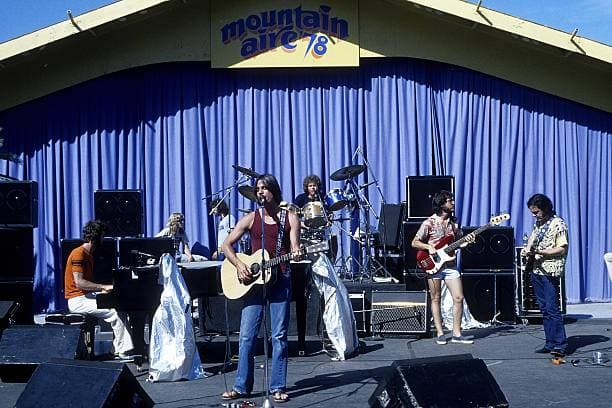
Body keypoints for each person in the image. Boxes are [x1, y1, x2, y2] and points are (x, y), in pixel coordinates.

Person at [221, 174, 301, 404]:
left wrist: (297, 252)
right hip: (254, 284)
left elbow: (295, 247)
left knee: (279, 336)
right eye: (258, 189)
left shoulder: (290, 217)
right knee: (246, 336)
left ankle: (277, 387)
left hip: (280, 279)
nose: (260, 192)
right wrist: (240, 265)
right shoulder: (251, 218)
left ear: (274, 191)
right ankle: (241, 386)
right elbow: (226, 245)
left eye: (264, 188)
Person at [411, 190, 474, 345]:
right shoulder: (428, 223)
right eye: (449, 200)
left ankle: (457, 333)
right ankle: (440, 333)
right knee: (436, 298)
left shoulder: (454, 224)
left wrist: (468, 242)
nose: (452, 203)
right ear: (441, 204)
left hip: (450, 265)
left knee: (458, 298)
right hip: (433, 264)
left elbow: (459, 243)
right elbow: (414, 242)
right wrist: (429, 247)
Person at [64, 220, 134, 359]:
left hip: (85, 297)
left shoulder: (88, 255)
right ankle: (123, 351)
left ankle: (117, 349)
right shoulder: (79, 253)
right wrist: (103, 286)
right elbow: (79, 283)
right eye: (102, 236)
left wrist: (101, 291)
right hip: (77, 300)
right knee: (114, 312)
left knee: (118, 306)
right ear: (96, 237)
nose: (103, 239)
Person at [521, 193, 569, 357]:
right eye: (532, 212)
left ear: (545, 208)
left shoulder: (558, 224)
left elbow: (562, 248)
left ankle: (560, 344)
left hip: (550, 271)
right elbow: (532, 238)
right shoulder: (539, 224)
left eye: (536, 212)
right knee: (544, 309)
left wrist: (542, 252)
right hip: (537, 270)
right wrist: (528, 249)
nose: (534, 215)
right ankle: (550, 343)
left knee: (552, 308)